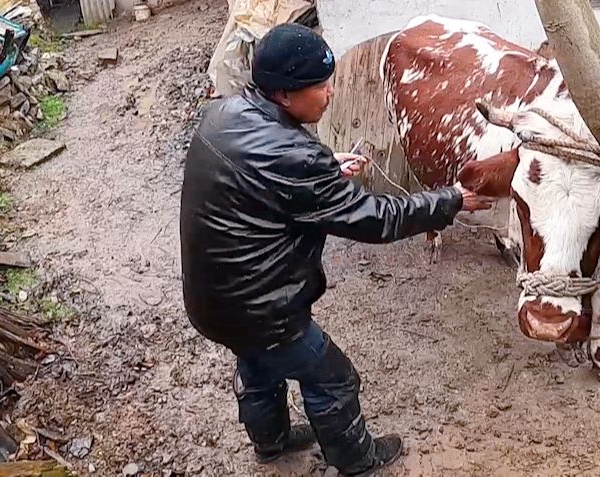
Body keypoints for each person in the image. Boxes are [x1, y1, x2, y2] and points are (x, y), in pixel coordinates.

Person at [179, 24, 490, 475]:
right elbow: (378, 219)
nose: (330, 93)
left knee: (257, 366)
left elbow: (268, 178)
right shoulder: (296, 158)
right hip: (262, 309)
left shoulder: (222, 114)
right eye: (320, 85)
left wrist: (326, 170)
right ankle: (356, 459)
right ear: (284, 95)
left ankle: (272, 442)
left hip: (210, 300)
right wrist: (452, 199)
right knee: (332, 377)